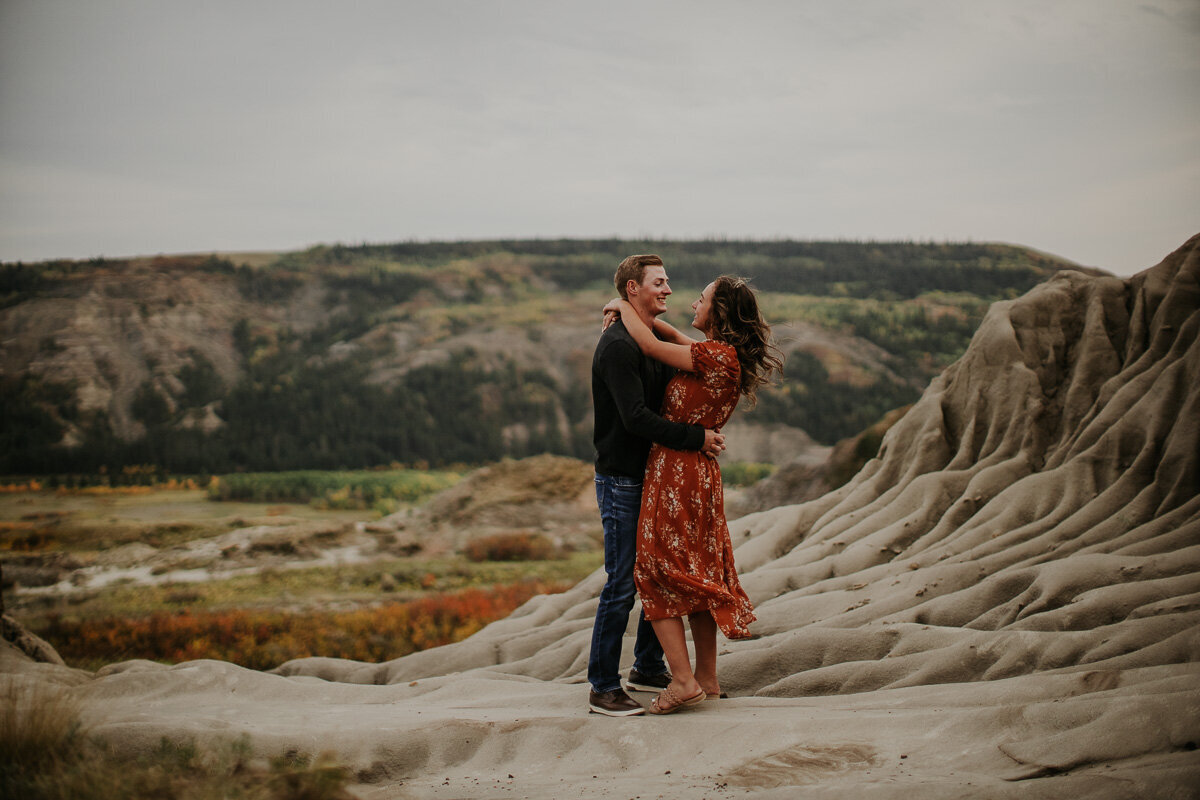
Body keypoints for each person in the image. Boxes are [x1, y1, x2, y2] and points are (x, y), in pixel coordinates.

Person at [606, 275, 782, 714]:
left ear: (717, 311)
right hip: (699, 474)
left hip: (676, 470)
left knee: (654, 570)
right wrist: (640, 315)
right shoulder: (722, 354)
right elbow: (669, 336)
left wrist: (620, 305)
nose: (691, 302)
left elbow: (649, 346)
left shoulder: (712, 355)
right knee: (700, 574)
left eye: (700, 299)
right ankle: (707, 679)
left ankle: (682, 681)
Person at [588, 255, 727, 717]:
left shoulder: (646, 341)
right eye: (659, 283)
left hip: (652, 477)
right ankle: (602, 686)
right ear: (633, 288)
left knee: (659, 574)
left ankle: (648, 667)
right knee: (623, 583)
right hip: (623, 479)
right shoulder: (618, 347)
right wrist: (698, 438)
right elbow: (637, 419)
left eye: (669, 282)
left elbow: (674, 367)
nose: (668, 290)